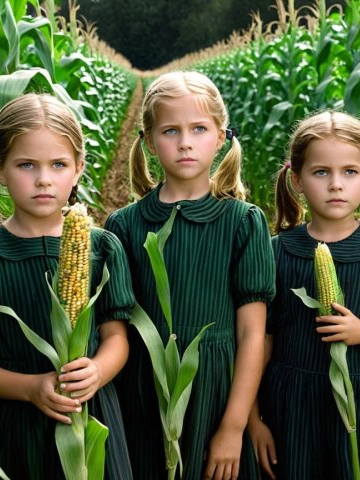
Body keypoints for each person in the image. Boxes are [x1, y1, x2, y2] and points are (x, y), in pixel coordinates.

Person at [104, 70, 276, 479]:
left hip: (215, 390)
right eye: (170, 130)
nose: (184, 142)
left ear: (220, 137)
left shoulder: (242, 222)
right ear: (147, 140)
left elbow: (252, 335)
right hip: (142, 390)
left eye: (199, 128)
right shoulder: (124, 226)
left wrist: (234, 427)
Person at [0, 93, 135, 479]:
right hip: (13, 424)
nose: (43, 179)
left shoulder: (102, 248)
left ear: (78, 168)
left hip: (88, 418)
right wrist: (30, 388)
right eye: (26, 165)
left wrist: (98, 371)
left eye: (58, 164)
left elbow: (117, 338)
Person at [249, 110, 360, 479]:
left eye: (349, 172)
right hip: (291, 407)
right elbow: (257, 343)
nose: (335, 184)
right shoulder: (276, 252)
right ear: (296, 180)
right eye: (320, 172)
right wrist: (252, 421)